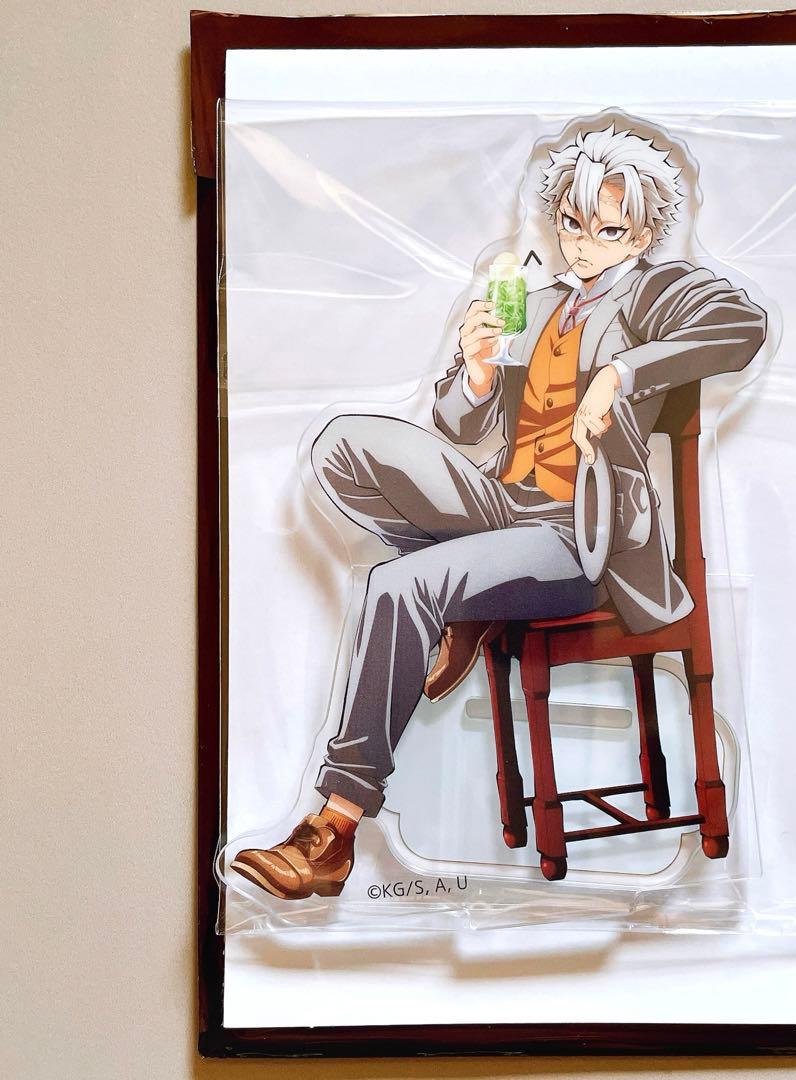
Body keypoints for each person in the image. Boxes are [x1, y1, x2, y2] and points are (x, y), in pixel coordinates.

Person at [231, 121, 767, 900]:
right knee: (342, 446)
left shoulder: (659, 290)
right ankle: (470, 595)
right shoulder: (537, 301)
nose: (583, 245)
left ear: (643, 232)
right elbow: (464, 428)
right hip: (502, 506)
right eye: (573, 224)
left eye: (608, 230)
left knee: (399, 583)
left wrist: (621, 372)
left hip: (579, 539)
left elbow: (743, 326)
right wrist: (476, 370)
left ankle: (334, 829)